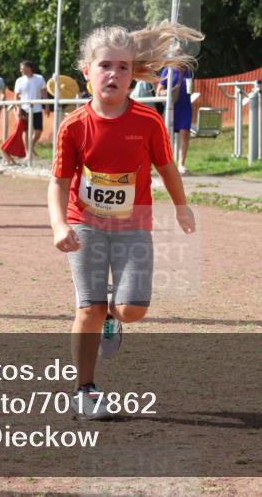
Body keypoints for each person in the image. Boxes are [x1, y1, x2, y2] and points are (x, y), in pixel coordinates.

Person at [48, 21, 201, 420]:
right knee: (89, 308)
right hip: (86, 224)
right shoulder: (74, 126)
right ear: (87, 71)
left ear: (134, 75)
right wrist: (60, 226)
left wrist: (181, 206)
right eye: (104, 66)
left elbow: (167, 168)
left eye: (122, 67)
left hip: (133, 226)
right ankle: (84, 389)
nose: (113, 74)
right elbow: (58, 183)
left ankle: (114, 320)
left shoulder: (147, 122)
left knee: (132, 308)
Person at [157, 64, 194, 174]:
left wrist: (190, 87)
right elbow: (159, 90)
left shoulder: (189, 71)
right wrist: (170, 92)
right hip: (172, 107)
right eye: (178, 54)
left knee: (185, 133)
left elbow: (191, 89)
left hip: (185, 106)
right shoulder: (167, 71)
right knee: (168, 135)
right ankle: (167, 163)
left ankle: (181, 164)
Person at [10, 60, 47, 161]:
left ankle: (31, 147)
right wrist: (17, 109)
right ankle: (28, 153)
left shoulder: (39, 78)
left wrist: (47, 106)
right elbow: (16, 97)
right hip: (24, 109)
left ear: (29, 68)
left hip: (37, 109)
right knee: (25, 131)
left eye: (23, 68)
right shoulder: (19, 80)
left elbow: (44, 94)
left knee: (38, 131)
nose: (21, 70)